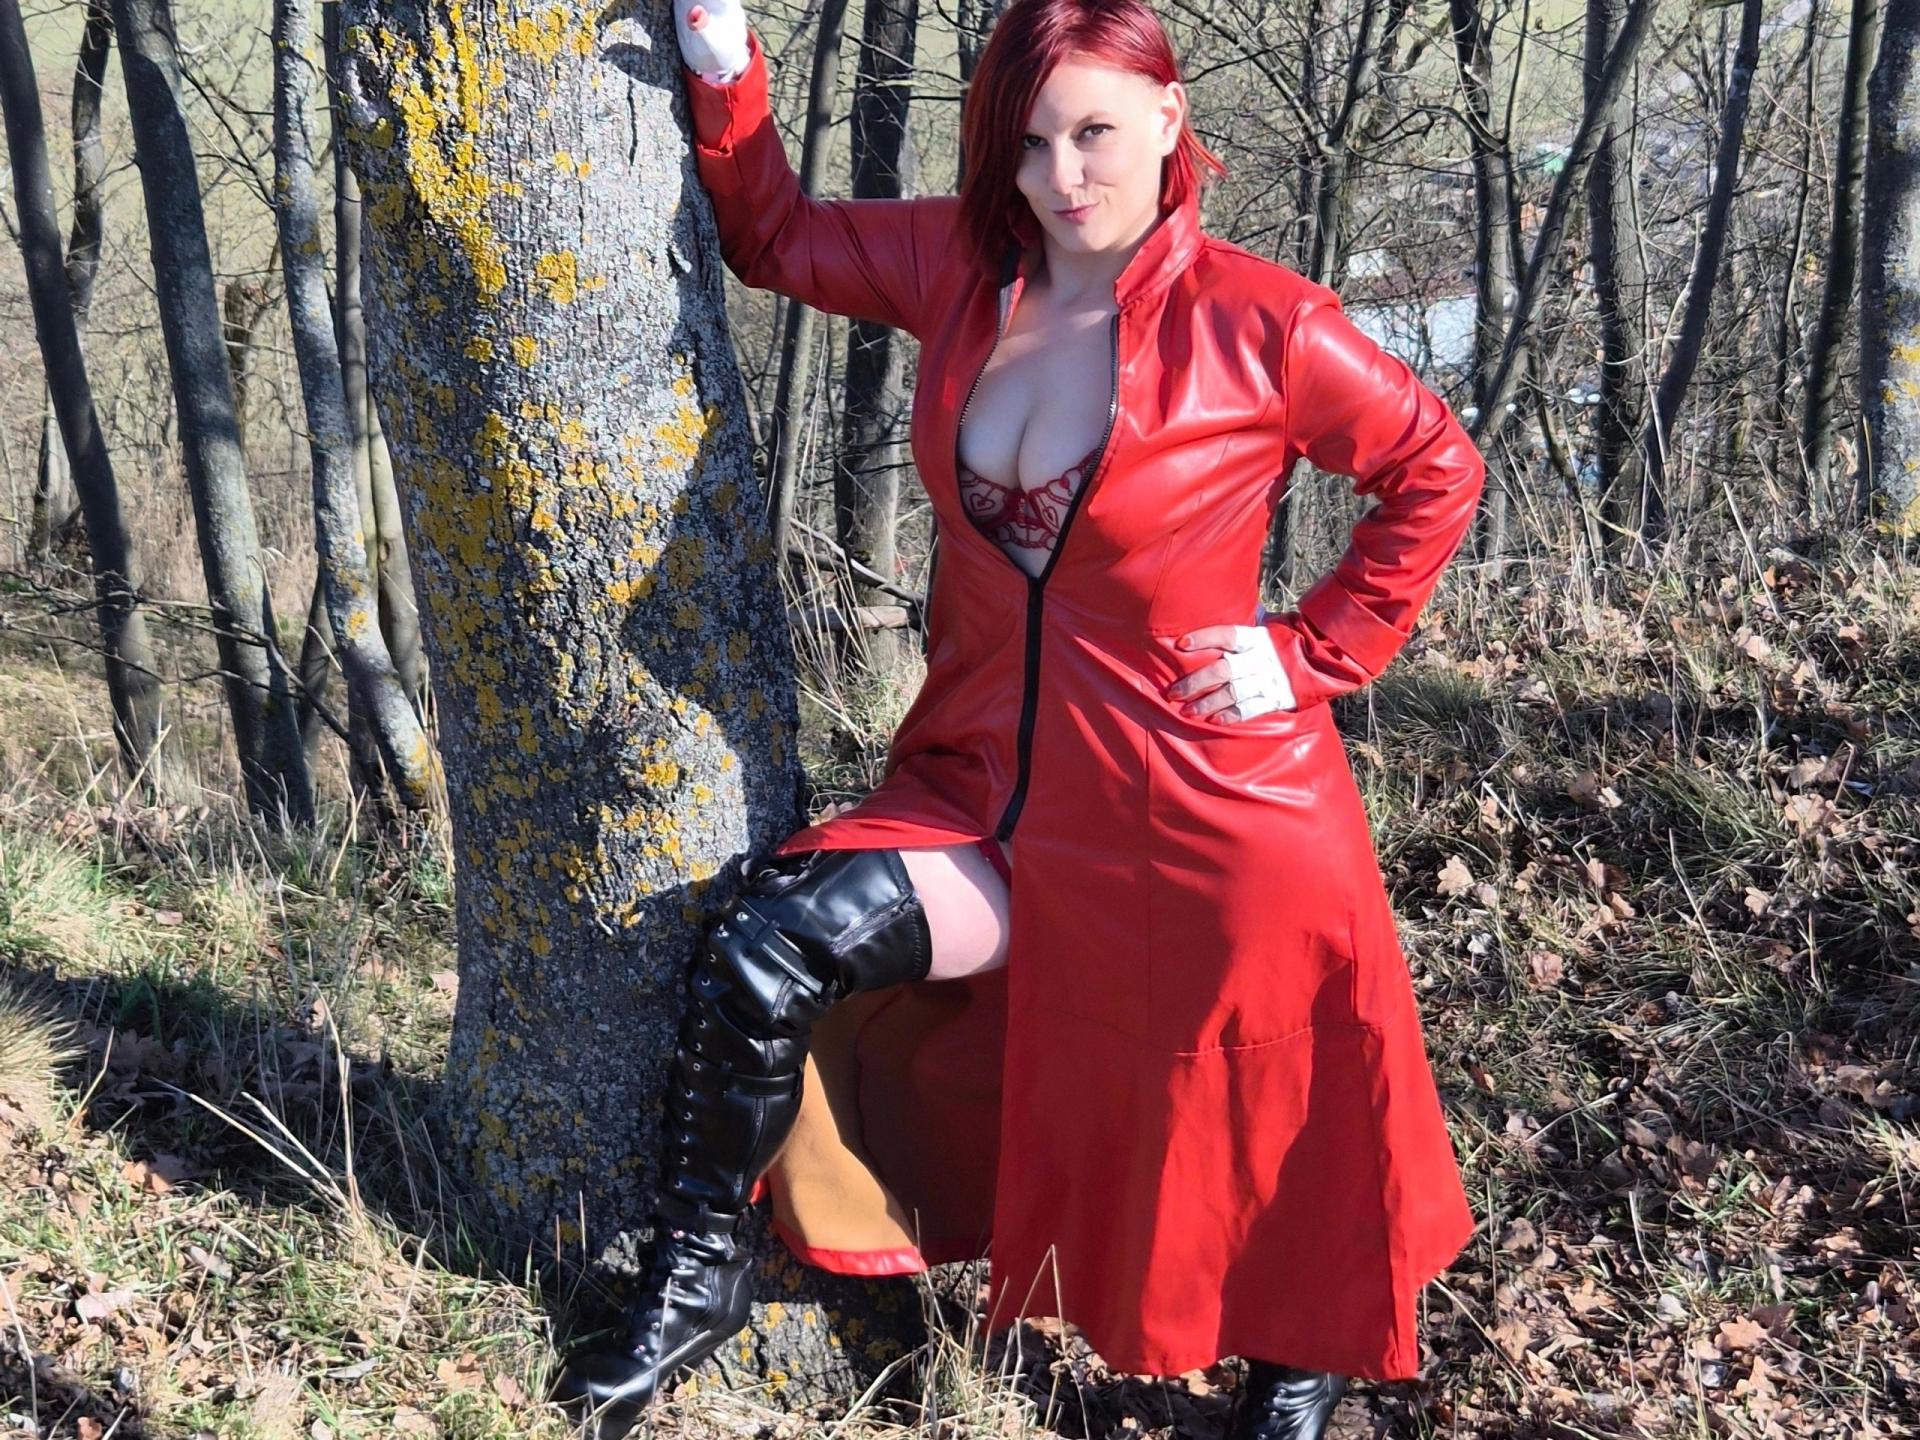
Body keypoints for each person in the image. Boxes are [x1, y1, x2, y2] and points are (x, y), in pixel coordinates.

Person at [555, 0, 1486, 1435]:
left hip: (1204, 802)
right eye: (1034, 141)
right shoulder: (961, 267)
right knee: (771, 947)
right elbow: (777, 239)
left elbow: (1435, 467)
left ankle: (1292, 1376)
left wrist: (1316, 651)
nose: (1063, 175)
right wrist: (722, 62)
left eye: (1096, 132)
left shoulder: (1263, 322)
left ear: (1169, 120)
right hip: (983, 779)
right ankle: (697, 1277)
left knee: (1263, 1092)